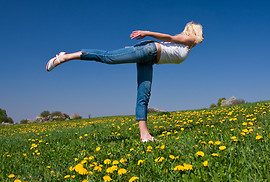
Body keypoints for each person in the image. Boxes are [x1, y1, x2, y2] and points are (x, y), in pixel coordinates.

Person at [46, 22, 204, 142]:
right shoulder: (188, 40)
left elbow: (169, 43)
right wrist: (146, 33)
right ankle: (65, 56)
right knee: (108, 57)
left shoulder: (186, 46)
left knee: (144, 94)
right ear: (195, 32)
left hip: (149, 59)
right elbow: (169, 37)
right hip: (149, 51)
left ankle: (145, 135)